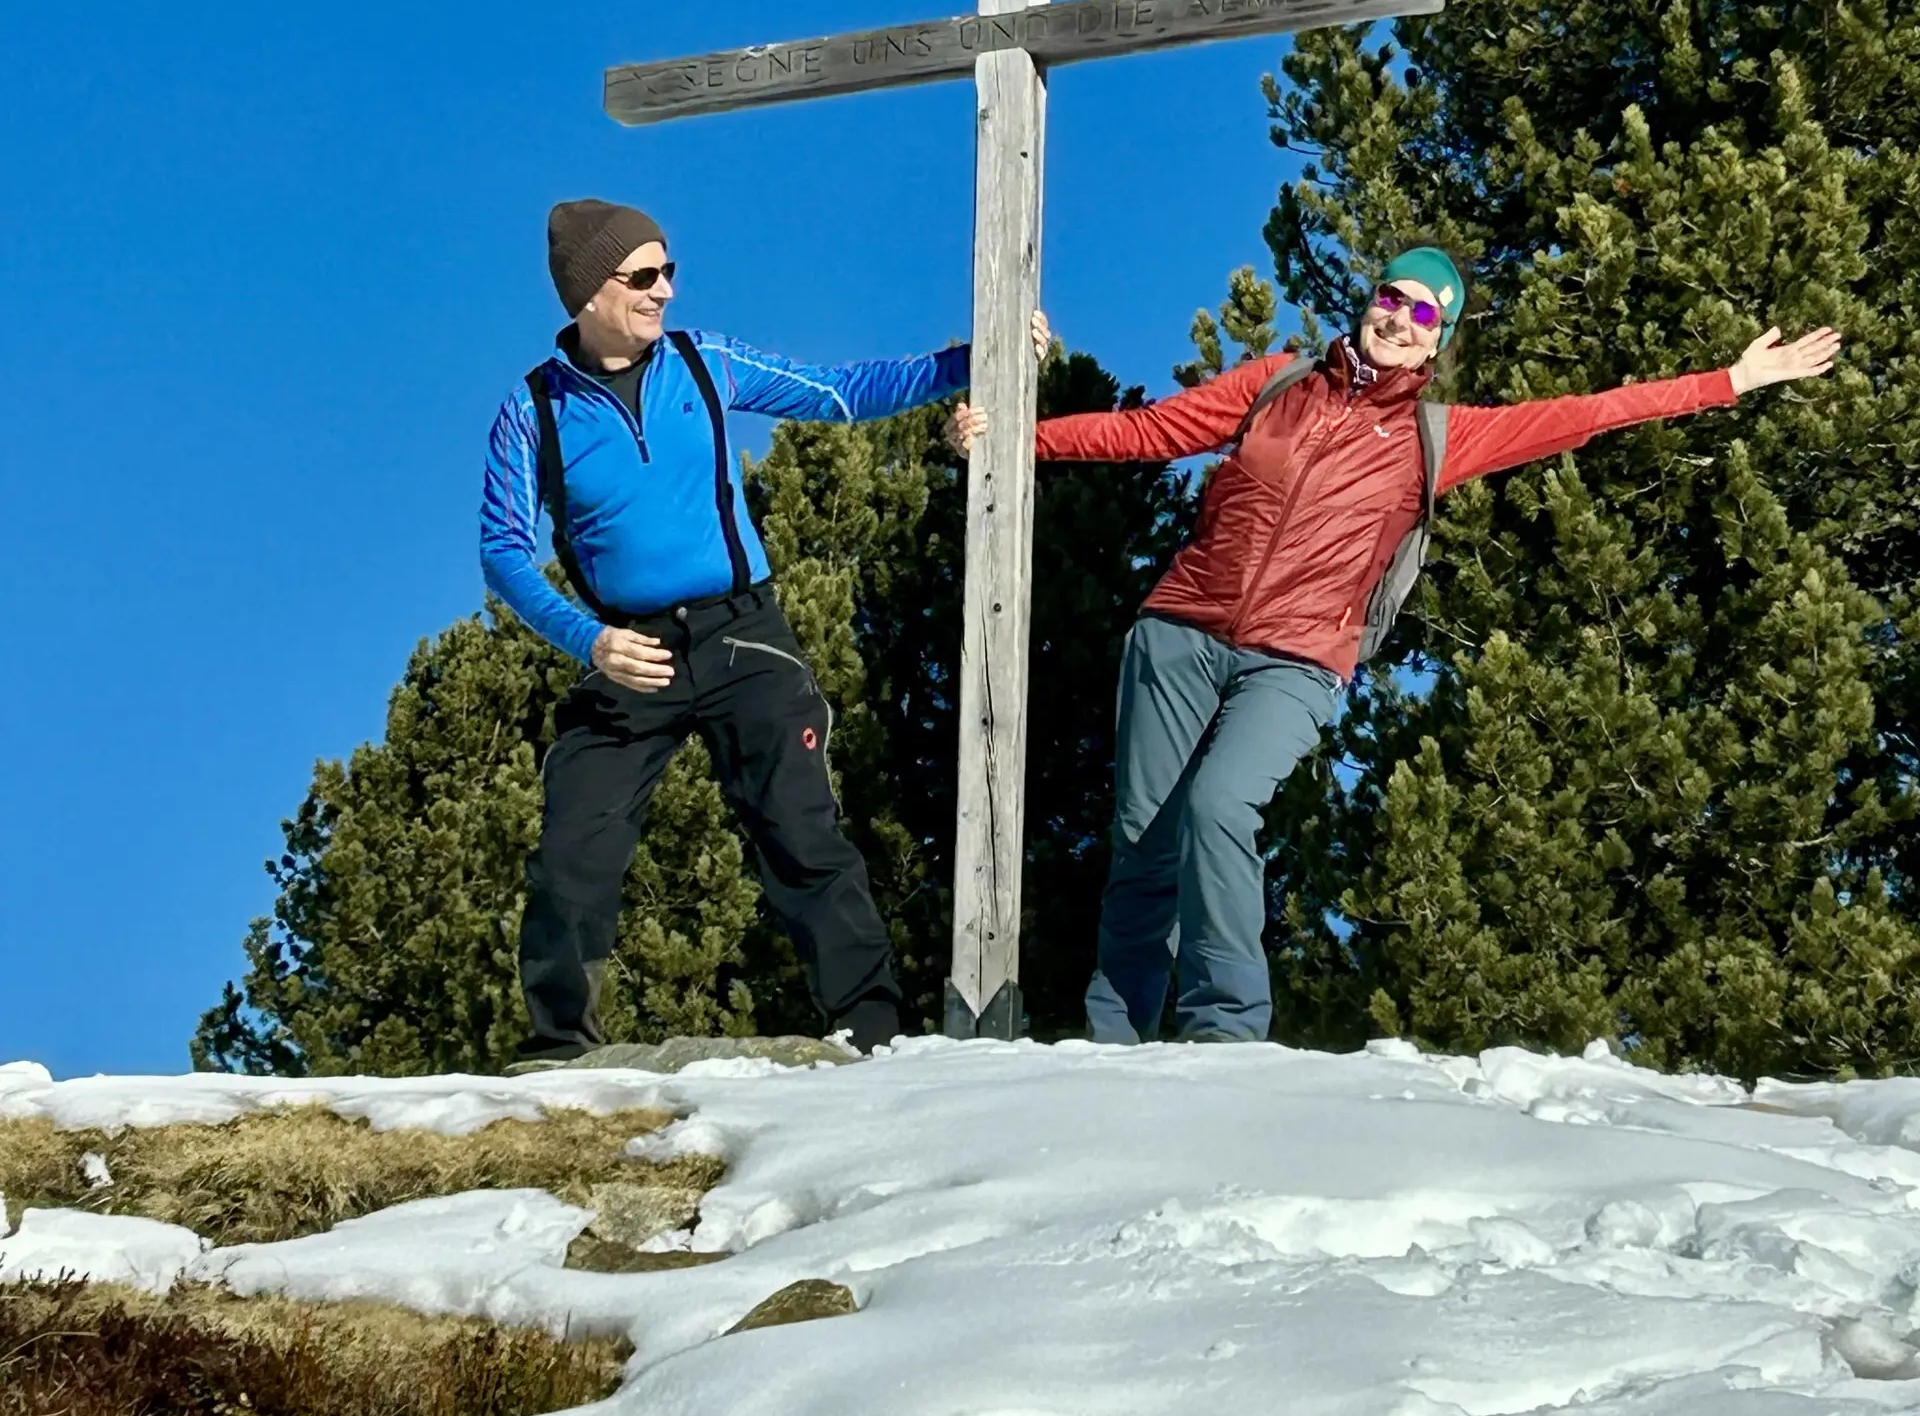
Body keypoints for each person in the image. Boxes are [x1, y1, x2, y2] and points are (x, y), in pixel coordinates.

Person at [974, 244, 1841, 1047]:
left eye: (1425, 315)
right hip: (1181, 631)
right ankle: (1114, 1044)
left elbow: (1586, 415)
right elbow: (1153, 432)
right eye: (1393, 297)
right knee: (1144, 841)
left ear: (1438, 344)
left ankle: (1225, 1037)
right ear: (1370, 300)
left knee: (1220, 807)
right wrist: (1018, 442)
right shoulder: (1279, 384)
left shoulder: (1437, 435)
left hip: (1299, 660)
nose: (1399, 319)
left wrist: (1731, 378)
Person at [481, 198, 973, 1064]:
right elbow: (506, 553)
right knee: (572, 853)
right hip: (628, 651)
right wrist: (586, 641)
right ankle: (558, 1050)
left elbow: (841, 393)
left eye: (669, 270)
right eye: (643, 276)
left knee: (799, 829)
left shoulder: (704, 364)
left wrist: (974, 360)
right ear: (589, 292)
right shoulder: (533, 412)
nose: (665, 289)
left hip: (744, 638)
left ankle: (873, 1031)